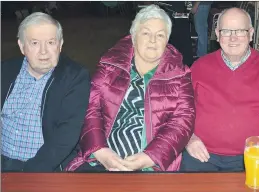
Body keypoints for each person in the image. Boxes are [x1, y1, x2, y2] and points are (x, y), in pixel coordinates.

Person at [65, 5, 195, 172]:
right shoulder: (109, 65)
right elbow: (91, 109)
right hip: (102, 158)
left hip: (152, 165)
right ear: (133, 36)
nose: (153, 40)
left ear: (167, 39)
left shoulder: (180, 73)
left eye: (160, 35)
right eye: (146, 33)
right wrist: (99, 151)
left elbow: (183, 121)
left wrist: (149, 157)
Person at [180, 8, 259, 171]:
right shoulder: (199, 68)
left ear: (251, 34)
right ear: (217, 34)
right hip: (202, 154)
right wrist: (189, 139)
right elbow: (181, 112)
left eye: (240, 31)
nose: (233, 38)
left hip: (253, 156)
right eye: (226, 31)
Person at [1, 12, 91, 172]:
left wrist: (28, 173)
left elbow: (66, 136)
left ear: (60, 45)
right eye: (34, 43)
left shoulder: (75, 77)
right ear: (22, 46)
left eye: (50, 42)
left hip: (46, 169)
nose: (43, 51)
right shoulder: (5, 72)